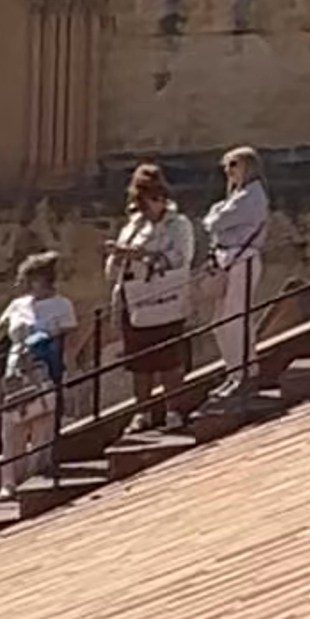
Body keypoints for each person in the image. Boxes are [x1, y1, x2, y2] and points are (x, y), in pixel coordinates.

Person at [0, 250, 75, 498]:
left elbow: (70, 339)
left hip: (44, 372)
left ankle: (34, 476)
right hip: (16, 373)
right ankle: (9, 482)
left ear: (37, 280)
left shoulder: (62, 305)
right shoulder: (17, 305)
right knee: (11, 430)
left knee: (42, 427)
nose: (17, 283)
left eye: (22, 278)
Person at [111, 164, 199, 431]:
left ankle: (174, 411)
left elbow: (181, 258)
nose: (145, 206)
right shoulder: (132, 226)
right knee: (139, 363)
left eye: (149, 199)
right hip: (134, 298)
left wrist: (142, 256)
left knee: (169, 359)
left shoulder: (178, 225)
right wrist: (117, 256)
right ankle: (142, 412)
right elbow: (118, 264)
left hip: (164, 298)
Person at [202, 145, 272, 402]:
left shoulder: (252, 195)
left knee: (236, 318)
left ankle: (246, 373)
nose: (229, 171)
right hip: (227, 260)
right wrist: (216, 216)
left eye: (234, 165)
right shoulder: (236, 196)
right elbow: (213, 220)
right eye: (227, 166)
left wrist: (215, 217)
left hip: (244, 259)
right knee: (219, 323)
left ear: (248, 167)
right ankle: (232, 372)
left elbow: (216, 222)